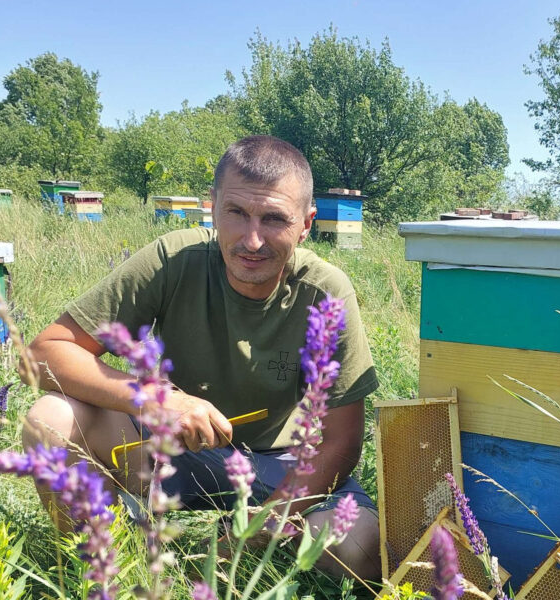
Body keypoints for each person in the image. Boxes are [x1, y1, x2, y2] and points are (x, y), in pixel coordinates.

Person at [21, 135, 381, 580]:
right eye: (236, 213)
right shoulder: (175, 259)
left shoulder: (325, 292)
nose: (252, 240)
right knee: (49, 419)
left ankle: (271, 567)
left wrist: (255, 528)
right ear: (212, 207)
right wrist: (155, 400)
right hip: (175, 449)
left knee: (357, 544)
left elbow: (341, 444)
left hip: (285, 465)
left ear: (306, 224)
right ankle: (108, 569)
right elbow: (42, 354)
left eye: (274, 219)